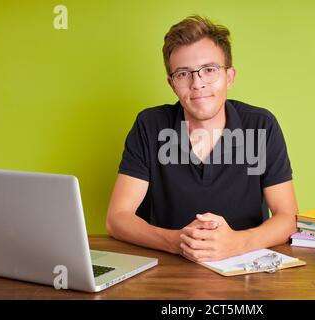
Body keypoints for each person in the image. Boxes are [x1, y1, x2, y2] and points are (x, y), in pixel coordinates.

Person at [106, 15, 298, 262]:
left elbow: (288, 218)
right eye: (184, 74)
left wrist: (237, 243)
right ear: (172, 84)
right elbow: (117, 218)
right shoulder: (150, 125)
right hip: (168, 269)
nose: (197, 84)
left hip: (246, 269)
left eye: (209, 70)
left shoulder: (261, 125)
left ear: (229, 77)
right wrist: (176, 241)